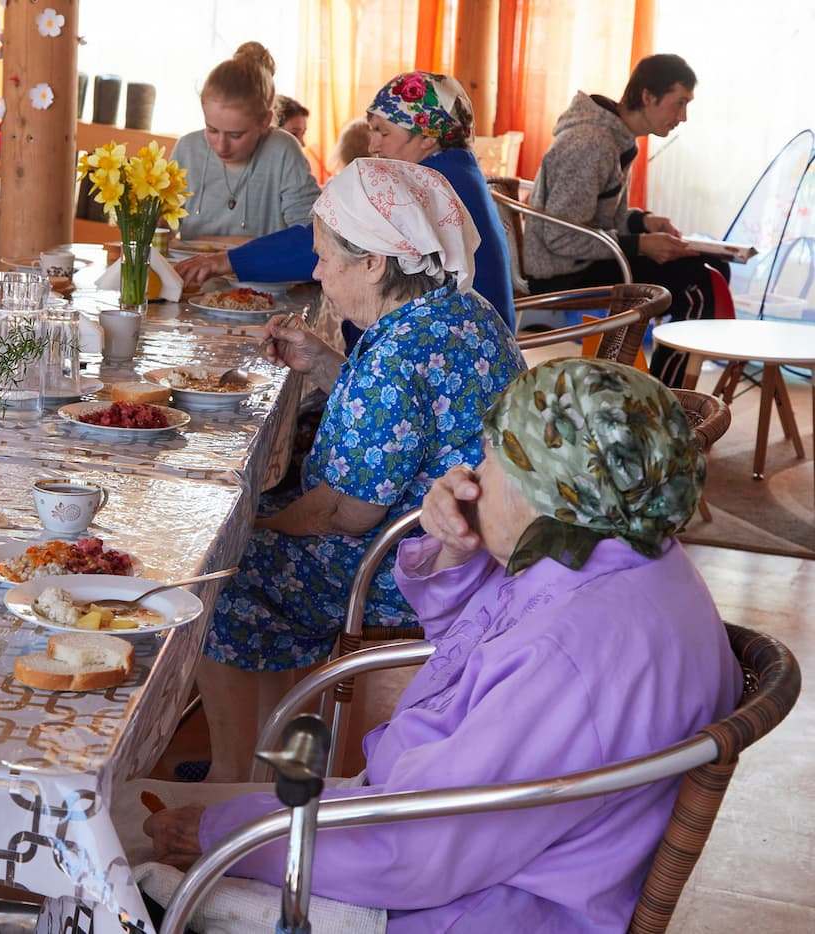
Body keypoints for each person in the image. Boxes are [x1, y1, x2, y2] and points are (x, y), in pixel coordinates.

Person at [146, 357, 741, 932]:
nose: (472, 478)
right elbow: (477, 654)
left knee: (123, 861)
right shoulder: (616, 550)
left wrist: (219, 832)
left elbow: (412, 854)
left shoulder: (571, 655)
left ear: (545, 486)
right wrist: (458, 552)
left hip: (466, 904)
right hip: (447, 838)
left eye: (490, 459)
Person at [193, 158, 525, 783]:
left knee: (222, 573)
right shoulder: (460, 311)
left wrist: (260, 527)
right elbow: (408, 426)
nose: (316, 271)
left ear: (374, 262)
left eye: (323, 256)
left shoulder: (396, 355)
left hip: (413, 563)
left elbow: (347, 511)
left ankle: (232, 778)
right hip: (479, 545)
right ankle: (277, 757)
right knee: (261, 540)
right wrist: (324, 363)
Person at [177, 72, 517, 339]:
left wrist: (227, 261)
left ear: (428, 137)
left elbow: (335, 243)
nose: (372, 145)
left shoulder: (429, 184)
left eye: (383, 132)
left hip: (449, 360)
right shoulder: (454, 171)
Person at [524, 53, 724, 387]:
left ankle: (659, 392)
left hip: (583, 259)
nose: (684, 117)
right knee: (695, 280)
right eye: (680, 103)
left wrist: (642, 223)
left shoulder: (616, 139)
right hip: (561, 271)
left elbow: (599, 219)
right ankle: (669, 399)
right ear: (648, 96)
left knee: (714, 266)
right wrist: (640, 244)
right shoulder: (591, 143)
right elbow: (559, 236)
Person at [170, 42, 320, 240]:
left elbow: (311, 234)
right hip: (191, 269)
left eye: (235, 135)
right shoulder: (187, 149)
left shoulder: (283, 151)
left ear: (265, 122)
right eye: (212, 130)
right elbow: (163, 226)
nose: (221, 146)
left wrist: (230, 259)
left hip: (261, 270)